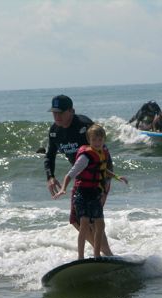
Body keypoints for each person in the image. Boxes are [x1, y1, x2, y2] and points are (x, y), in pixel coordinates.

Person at [44, 94, 114, 256]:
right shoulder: (55, 131)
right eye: (54, 112)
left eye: (60, 112)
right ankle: (105, 254)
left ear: (71, 111)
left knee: (92, 219)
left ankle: (107, 255)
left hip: (98, 177)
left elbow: (104, 153)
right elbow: (50, 155)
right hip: (81, 179)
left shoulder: (84, 126)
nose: (57, 116)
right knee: (76, 220)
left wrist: (105, 185)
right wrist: (50, 177)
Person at [53, 124, 128, 259]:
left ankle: (96, 256)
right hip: (82, 193)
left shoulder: (101, 153)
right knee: (85, 224)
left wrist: (117, 177)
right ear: (89, 140)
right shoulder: (85, 157)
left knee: (100, 224)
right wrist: (63, 188)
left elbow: (103, 170)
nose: (97, 143)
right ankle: (80, 257)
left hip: (94, 193)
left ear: (104, 140)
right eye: (94, 140)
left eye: (100, 140)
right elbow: (70, 174)